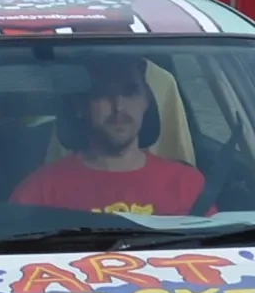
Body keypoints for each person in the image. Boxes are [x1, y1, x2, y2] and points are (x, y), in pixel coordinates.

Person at [11, 54, 206, 217]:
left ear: (147, 102)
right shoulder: (40, 193)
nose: (119, 107)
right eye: (103, 94)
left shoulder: (187, 185)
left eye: (130, 92)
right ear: (81, 107)